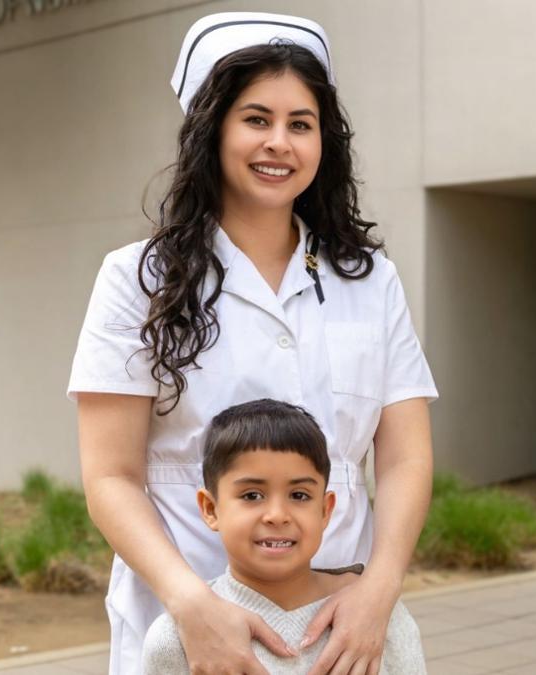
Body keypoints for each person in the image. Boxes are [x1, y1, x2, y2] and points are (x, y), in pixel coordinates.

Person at [68, 11, 438, 675]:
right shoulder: (136, 278)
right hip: (188, 619)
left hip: (337, 623)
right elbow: (110, 475)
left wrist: (379, 589)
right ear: (212, 130)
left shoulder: (368, 279)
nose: (280, 143)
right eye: (256, 119)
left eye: (301, 124)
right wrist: (190, 604)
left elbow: (405, 456)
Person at [141, 399, 427, 674]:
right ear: (210, 508)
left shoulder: (378, 619)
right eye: (252, 495)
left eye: (299, 495)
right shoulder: (174, 638)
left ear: (325, 510)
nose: (277, 515)